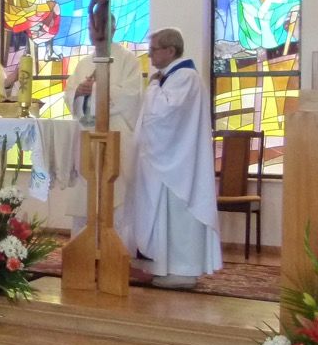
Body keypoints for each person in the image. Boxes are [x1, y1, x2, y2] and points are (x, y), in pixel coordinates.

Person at [129, 28, 223, 289]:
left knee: (179, 215)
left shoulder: (185, 77)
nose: (150, 55)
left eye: (154, 50)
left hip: (179, 165)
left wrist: (152, 87)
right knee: (166, 215)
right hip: (169, 161)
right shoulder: (172, 77)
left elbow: (162, 114)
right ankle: (164, 266)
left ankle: (182, 270)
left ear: (170, 51)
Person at [63, 15, 144, 250]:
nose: (94, 33)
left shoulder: (128, 60)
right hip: (87, 135)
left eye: (100, 28)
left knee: (116, 193)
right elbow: (70, 94)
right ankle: (84, 249)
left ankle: (116, 250)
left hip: (116, 134)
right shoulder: (84, 63)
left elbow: (132, 97)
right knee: (86, 193)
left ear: (113, 29)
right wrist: (79, 92)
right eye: (91, 28)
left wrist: (96, 88)